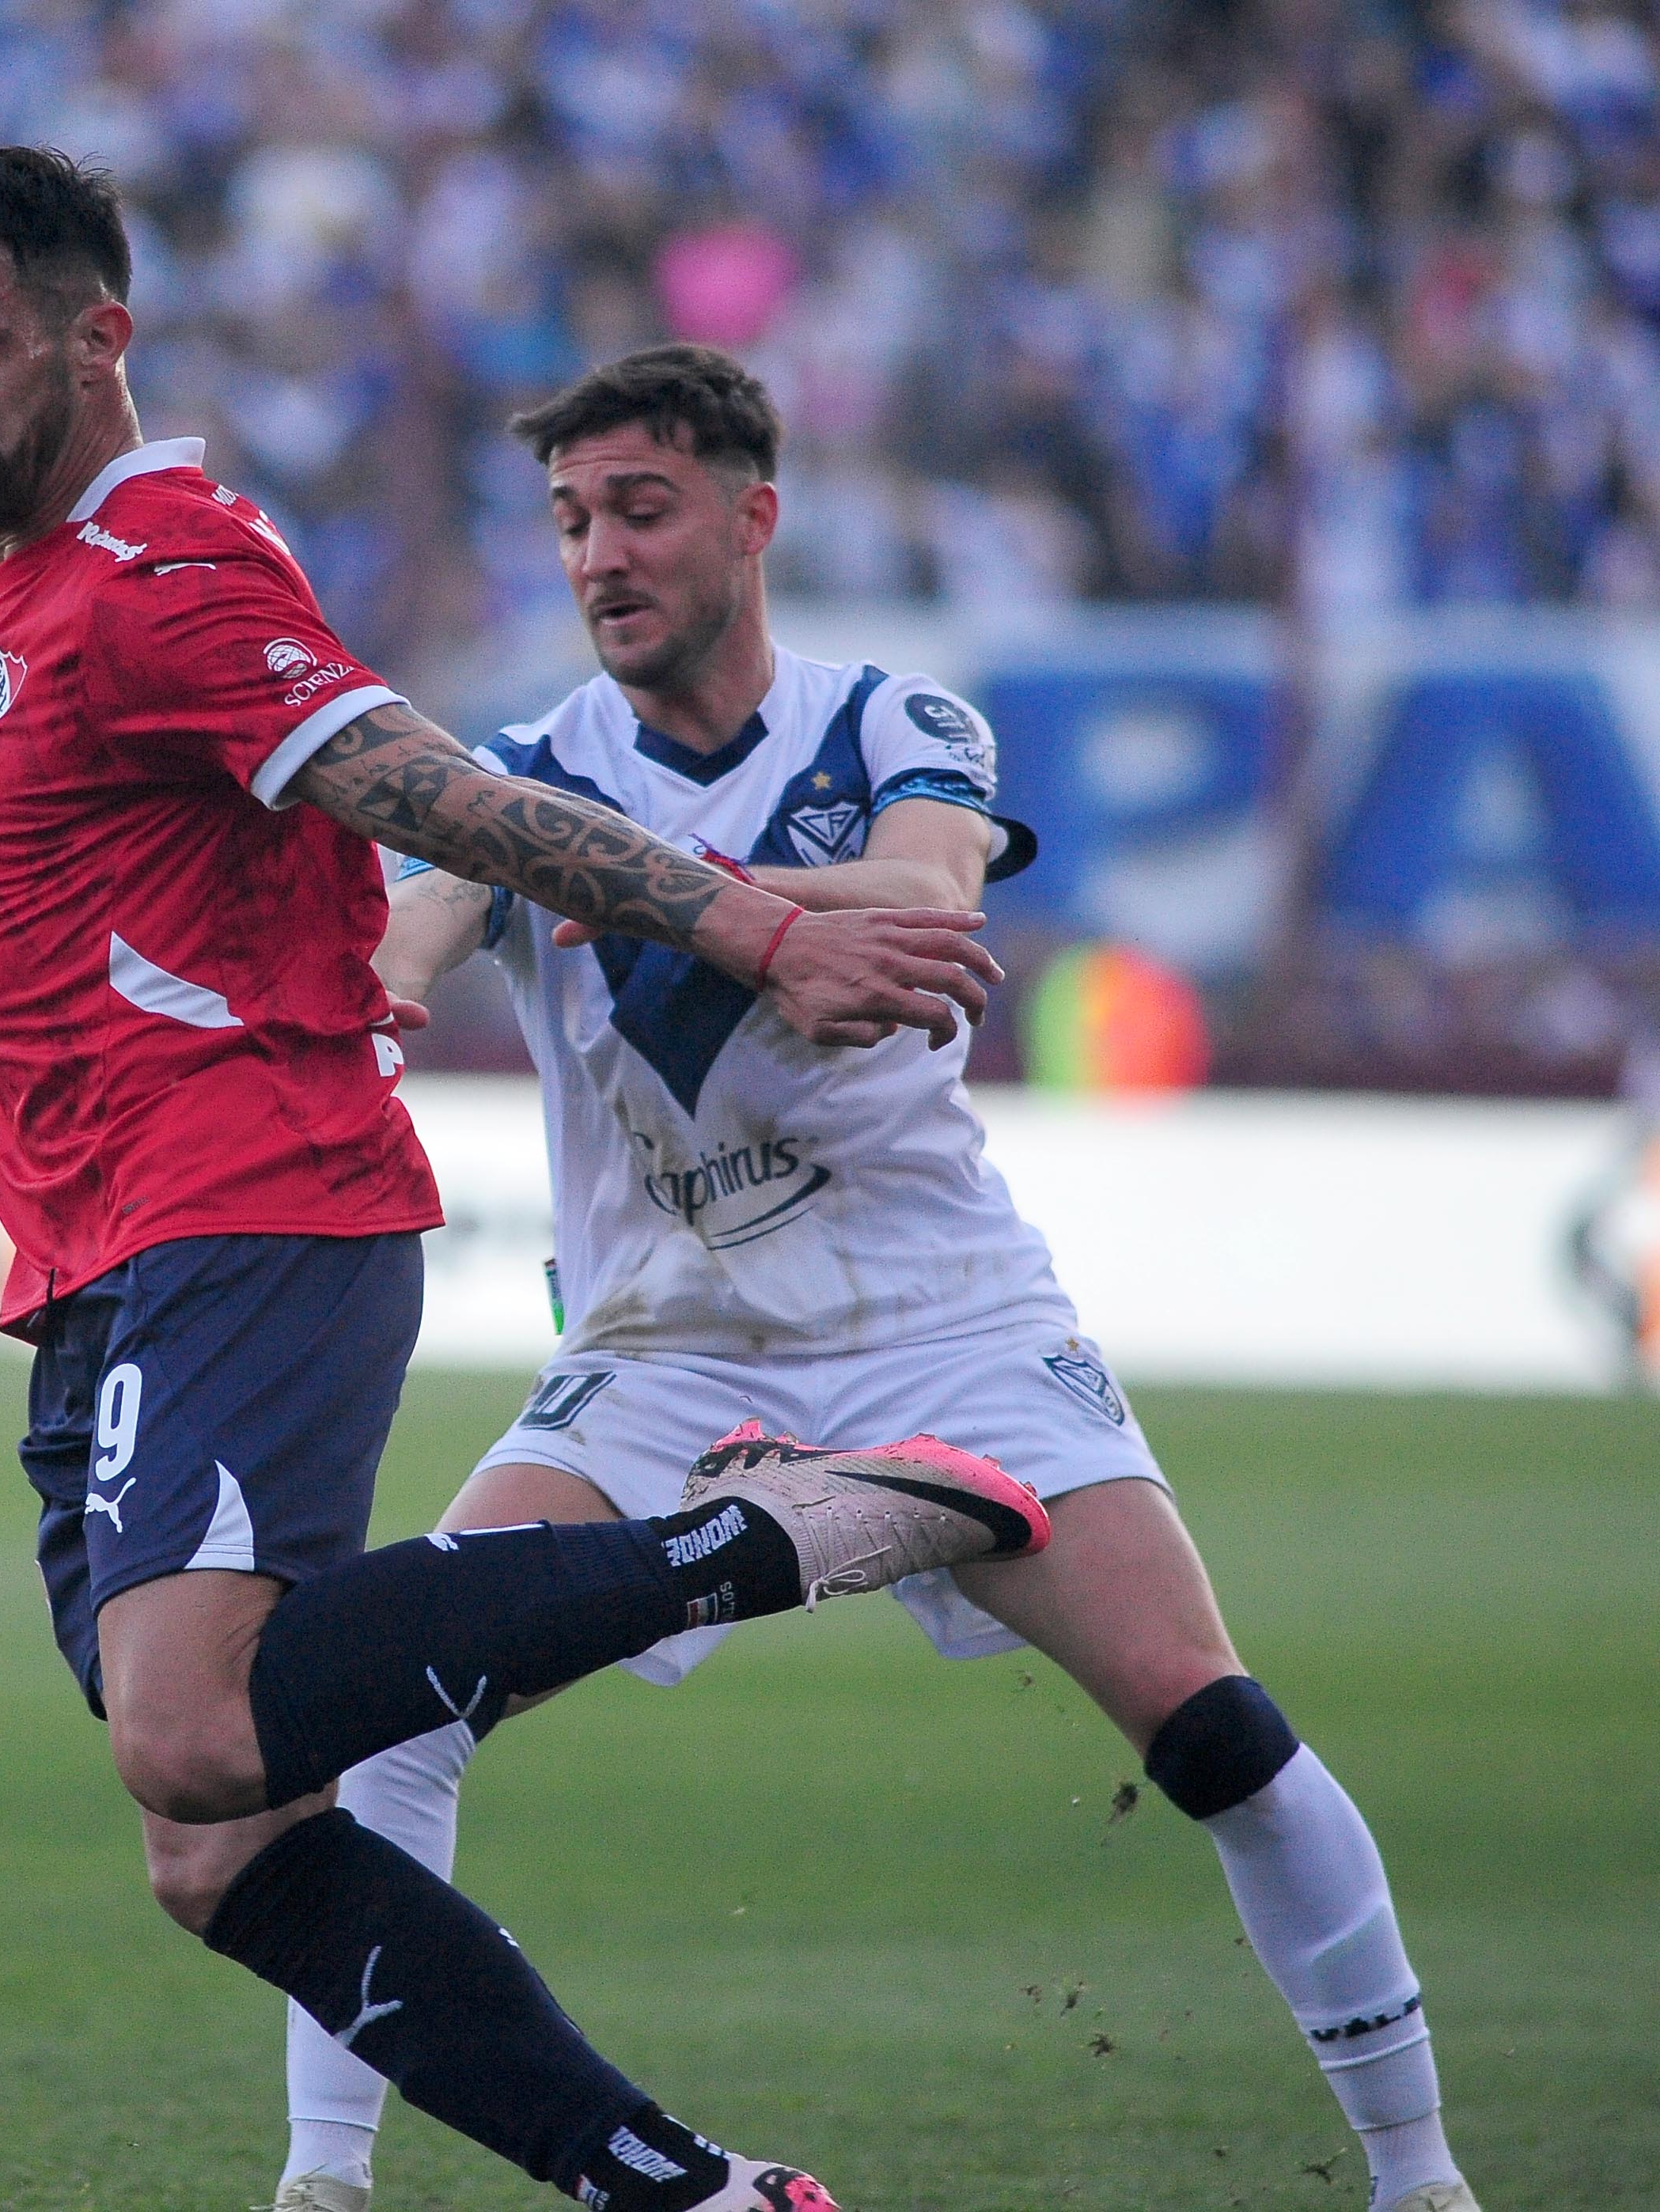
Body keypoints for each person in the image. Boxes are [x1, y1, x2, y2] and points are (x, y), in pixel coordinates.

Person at [0, 147, 1044, 2212]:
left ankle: (743, 1538)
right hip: (91, 1257)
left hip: (243, 1201)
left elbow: (445, 792)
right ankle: (676, 2185)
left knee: (189, 1733)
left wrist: (760, 929)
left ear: (96, 338)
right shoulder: (71, 568)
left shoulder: (162, 583)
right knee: (218, 1840)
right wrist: (13, 575)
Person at [257, 345, 1477, 2212]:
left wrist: (623, 879)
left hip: (947, 1323)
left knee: (1210, 1721)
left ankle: (1420, 2178)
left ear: (757, 516)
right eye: (574, 519)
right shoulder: (517, 774)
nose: (602, 553)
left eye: (644, 508)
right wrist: (382, 984)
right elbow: (406, 942)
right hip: (662, 1348)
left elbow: (929, 904)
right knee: (392, 1713)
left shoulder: (897, 720)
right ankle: (320, 2183)